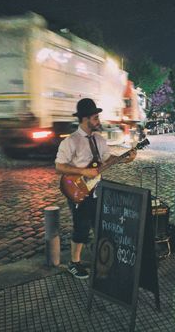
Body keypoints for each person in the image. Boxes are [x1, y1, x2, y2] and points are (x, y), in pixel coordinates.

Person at [55, 98, 136, 279]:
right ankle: (74, 262)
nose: (98, 121)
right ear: (84, 119)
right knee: (81, 226)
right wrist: (83, 170)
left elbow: (106, 160)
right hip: (78, 189)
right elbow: (59, 166)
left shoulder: (99, 139)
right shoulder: (71, 141)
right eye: (94, 117)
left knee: (99, 223)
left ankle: (100, 257)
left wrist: (125, 158)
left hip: (97, 189)